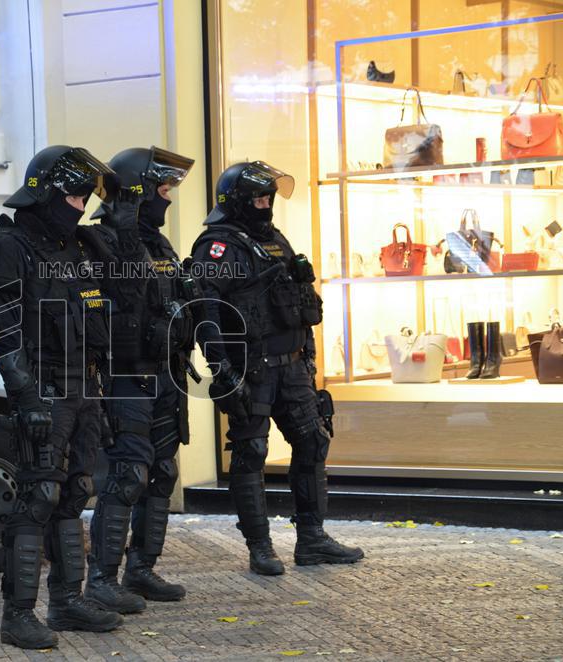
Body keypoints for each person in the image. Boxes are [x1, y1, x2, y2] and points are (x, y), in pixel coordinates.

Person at [0, 145, 123, 650]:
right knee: (38, 496)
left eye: (86, 196)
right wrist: (25, 395)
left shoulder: (79, 248)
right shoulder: (9, 247)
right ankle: (17, 615)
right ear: (45, 193)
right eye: (73, 194)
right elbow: (4, 331)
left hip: (83, 388)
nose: (81, 204)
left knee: (77, 490)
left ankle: (66, 602)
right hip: (42, 388)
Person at [190, 161, 364, 576]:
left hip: (291, 368)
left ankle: (312, 539)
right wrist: (222, 368)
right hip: (251, 369)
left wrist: (309, 358)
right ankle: (260, 547)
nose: (265, 204)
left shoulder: (274, 241)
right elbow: (206, 310)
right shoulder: (217, 246)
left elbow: (301, 303)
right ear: (236, 201)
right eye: (257, 198)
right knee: (251, 453)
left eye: (268, 197)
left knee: (314, 442)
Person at [78, 147, 197, 614]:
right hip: (125, 375)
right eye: (162, 189)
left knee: (163, 471)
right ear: (136, 190)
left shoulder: (161, 244)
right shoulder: (99, 240)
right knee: (127, 475)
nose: (167, 197)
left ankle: (142, 568)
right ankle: (103, 579)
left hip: (165, 371)